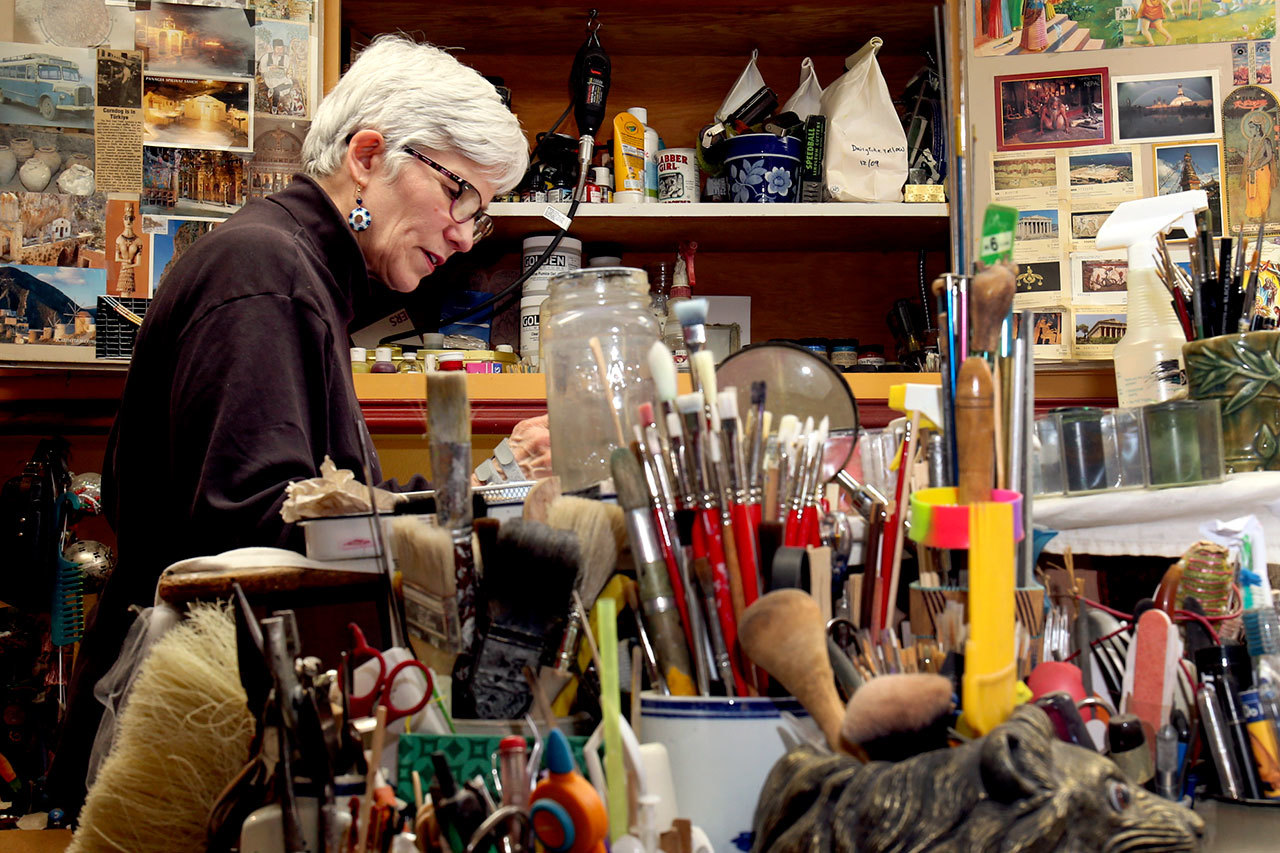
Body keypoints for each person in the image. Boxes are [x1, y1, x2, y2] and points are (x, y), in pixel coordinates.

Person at [49, 35, 542, 817]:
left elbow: (325, 504)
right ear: (369, 155)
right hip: (191, 757)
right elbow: (253, 532)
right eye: (461, 196)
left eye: (478, 217)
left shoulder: (292, 271)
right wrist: (464, 518)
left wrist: (483, 488)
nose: (462, 232)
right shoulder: (267, 274)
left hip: (210, 738)